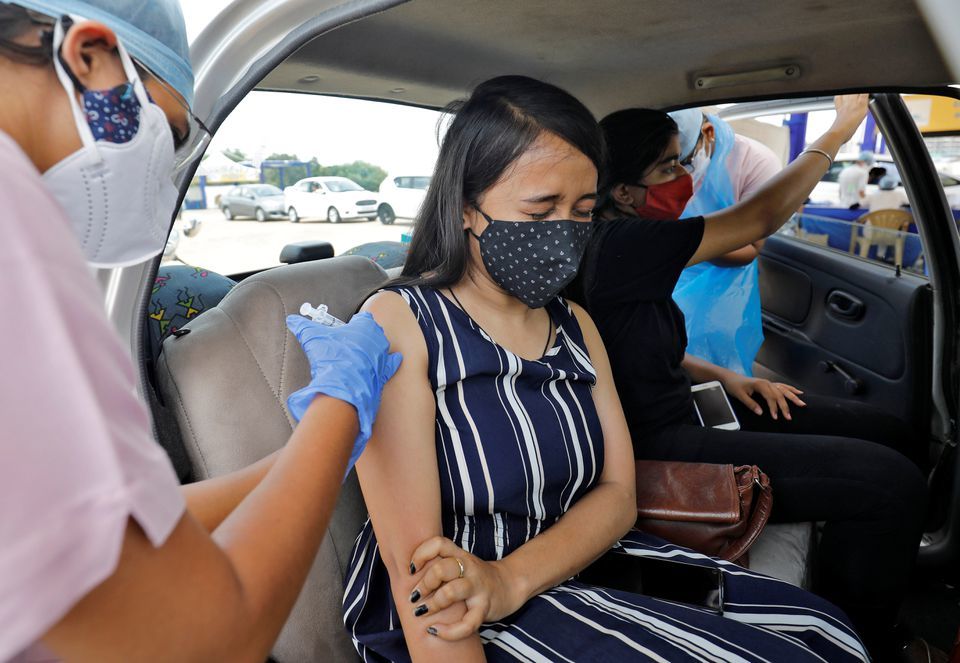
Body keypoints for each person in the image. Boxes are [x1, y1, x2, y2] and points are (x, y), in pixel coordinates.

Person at [341, 75, 869, 662]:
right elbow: (422, 579)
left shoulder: (575, 325)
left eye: (582, 212)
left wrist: (516, 579)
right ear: (466, 206)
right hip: (468, 601)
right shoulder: (400, 324)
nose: (564, 235)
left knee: (825, 630)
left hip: (567, 567)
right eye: (539, 212)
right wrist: (496, 588)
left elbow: (618, 496)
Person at [0, 3, 400, 661]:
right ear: (91, 54)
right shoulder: (18, 227)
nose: (166, 173)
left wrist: (289, 464)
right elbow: (210, 635)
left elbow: (104, 528)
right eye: (172, 132)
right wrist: (338, 409)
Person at [572, 103, 927, 661]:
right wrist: (837, 132)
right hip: (661, 444)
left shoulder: (628, 244)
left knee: (891, 433)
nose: (684, 177)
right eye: (668, 167)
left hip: (691, 406)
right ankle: (853, 641)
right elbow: (758, 220)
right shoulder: (617, 245)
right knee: (890, 483)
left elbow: (622, 343)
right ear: (623, 191)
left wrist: (724, 378)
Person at [667, 107, 782, 375]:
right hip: (666, 271)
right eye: (668, 167)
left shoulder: (756, 163)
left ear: (707, 133)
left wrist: (681, 244)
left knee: (717, 363)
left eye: (684, 162)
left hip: (724, 286)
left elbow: (752, 248)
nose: (679, 175)